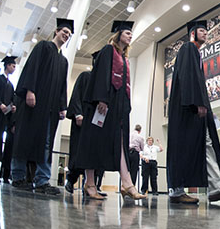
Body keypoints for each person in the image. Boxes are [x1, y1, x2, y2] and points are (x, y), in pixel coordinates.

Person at [166, 20, 220, 204]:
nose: (205, 33)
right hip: (187, 109)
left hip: (195, 108)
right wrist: (197, 102)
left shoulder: (195, 53)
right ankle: (177, 191)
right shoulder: (188, 49)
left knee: (206, 143)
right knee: (184, 147)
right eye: (201, 30)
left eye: (206, 31)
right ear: (192, 33)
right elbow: (188, 76)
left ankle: (215, 188)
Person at [75, 21, 146, 200]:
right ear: (118, 34)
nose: (130, 35)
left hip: (118, 107)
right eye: (127, 33)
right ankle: (90, 184)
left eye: (131, 34)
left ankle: (127, 183)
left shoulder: (124, 58)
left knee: (120, 142)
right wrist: (102, 98)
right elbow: (101, 74)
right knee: (94, 142)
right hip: (104, 105)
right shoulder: (108, 51)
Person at [11, 18, 71, 195]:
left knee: (46, 143)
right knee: (25, 138)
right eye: (64, 32)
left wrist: (62, 106)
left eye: (68, 34)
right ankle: (18, 176)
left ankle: (42, 180)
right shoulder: (43, 47)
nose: (66, 35)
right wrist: (30, 90)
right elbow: (32, 69)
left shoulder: (63, 61)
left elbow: (62, 86)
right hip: (34, 104)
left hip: (50, 109)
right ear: (56, 31)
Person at [65, 51, 105, 196]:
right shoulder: (85, 77)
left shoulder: (103, 83)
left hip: (96, 124)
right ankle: (71, 180)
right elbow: (76, 95)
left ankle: (91, 185)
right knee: (78, 152)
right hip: (82, 122)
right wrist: (78, 114)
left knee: (96, 154)